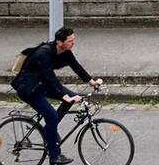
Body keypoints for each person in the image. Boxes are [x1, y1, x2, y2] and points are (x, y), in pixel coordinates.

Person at [10, 27, 103, 165]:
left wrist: (92, 82)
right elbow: (49, 77)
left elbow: (76, 66)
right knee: (52, 115)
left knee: (71, 99)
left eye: (74, 40)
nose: (73, 43)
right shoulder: (44, 53)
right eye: (70, 41)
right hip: (29, 88)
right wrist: (63, 95)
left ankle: (50, 131)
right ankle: (54, 157)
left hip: (42, 83)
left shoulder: (65, 52)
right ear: (59, 42)